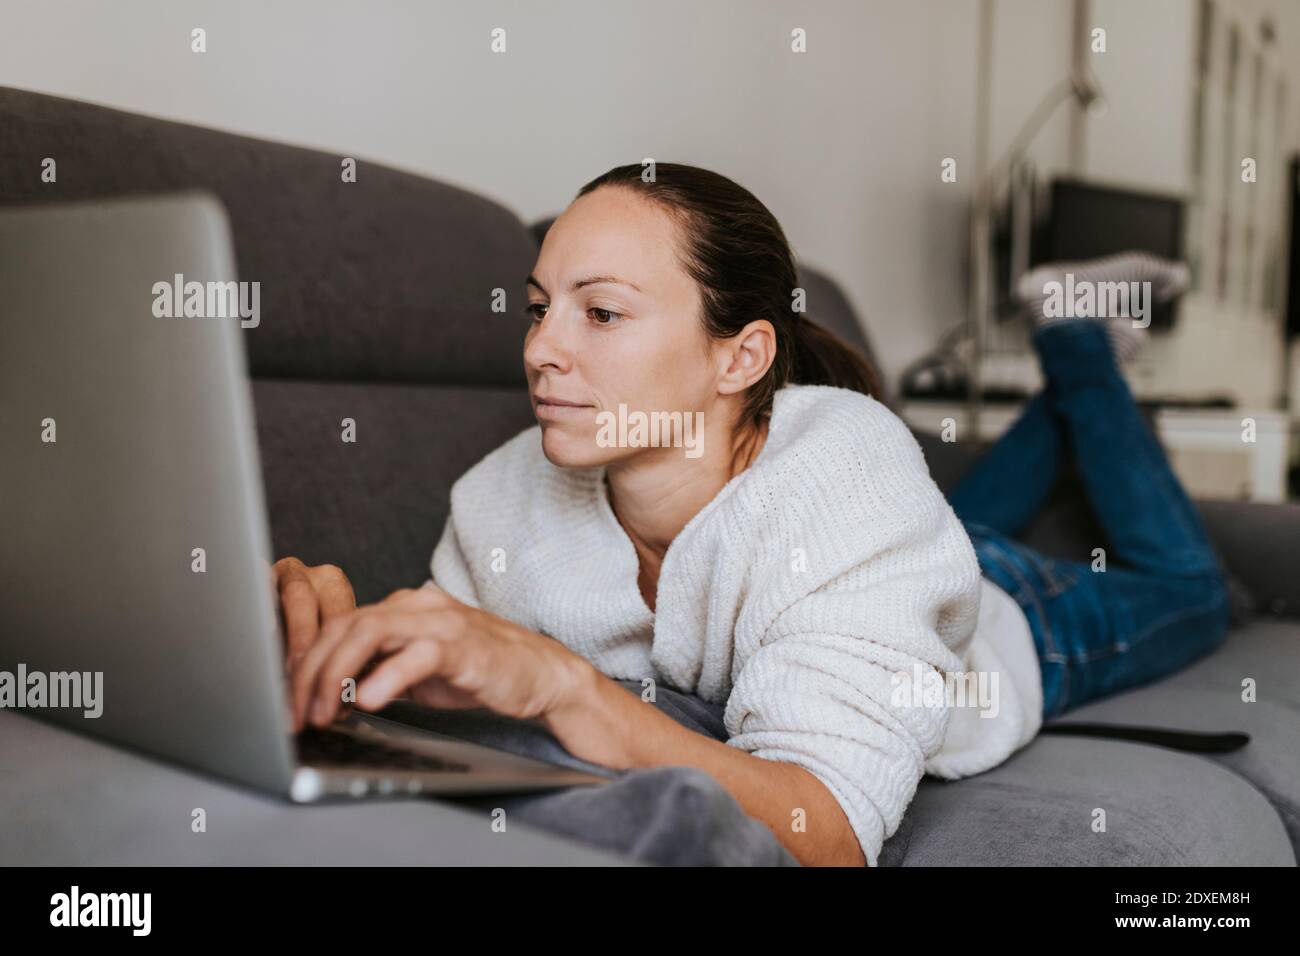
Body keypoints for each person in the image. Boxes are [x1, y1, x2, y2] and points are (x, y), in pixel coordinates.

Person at [272, 164, 1230, 867]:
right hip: (872, 572)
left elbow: (830, 833)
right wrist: (341, 645)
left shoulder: (850, 472)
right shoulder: (500, 496)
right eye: (537, 309)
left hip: (992, 613)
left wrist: (569, 689)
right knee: (944, 522)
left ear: (740, 357)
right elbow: (457, 666)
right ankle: (1077, 376)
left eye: (600, 314)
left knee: (1194, 588)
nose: (541, 352)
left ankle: (1074, 334)